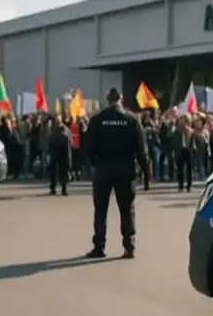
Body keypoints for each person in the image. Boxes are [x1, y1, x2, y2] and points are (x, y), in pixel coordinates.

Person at [84, 87, 148, 259]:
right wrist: (146, 174)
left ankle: (99, 247)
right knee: (127, 210)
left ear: (108, 100)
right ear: (121, 99)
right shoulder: (131, 121)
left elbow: (88, 148)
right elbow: (141, 152)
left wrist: (95, 165)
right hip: (125, 172)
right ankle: (129, 246)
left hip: (104, 171)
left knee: (100, 210)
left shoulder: (98, 120)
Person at [48, 117, 71, 196]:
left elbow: (69, 143)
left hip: (62, 153)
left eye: (58, 121)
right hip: (55, 153)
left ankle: (64, 189)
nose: (57, 123)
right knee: (53, 172)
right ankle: (53, 188)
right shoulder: (53, 130)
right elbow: (50, 141)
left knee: (63, 172)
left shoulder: (65, 130)